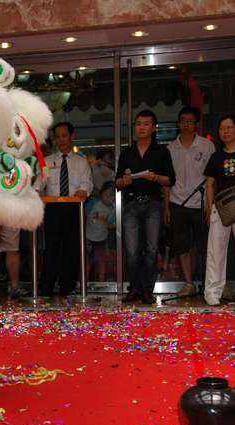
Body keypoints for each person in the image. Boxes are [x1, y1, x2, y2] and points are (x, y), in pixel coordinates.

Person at [116, 110, 175, 304]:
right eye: (138, 124)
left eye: (146, 124)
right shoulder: (127, 152)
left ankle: (147, 290)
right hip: (131, 204)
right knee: (132, 250)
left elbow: (170, 180)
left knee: (151, 249)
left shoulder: (162, 151)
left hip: (153, 204)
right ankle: (134, 288)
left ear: (154, 128)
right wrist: (123, 181)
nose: (141, 127)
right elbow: (117, 181)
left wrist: (155, 177)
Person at [36, 121, 93, 296]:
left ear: (72, 136)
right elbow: (39, 184)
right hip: (53, 209)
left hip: (74, 209)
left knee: (72, 249)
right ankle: (46, 288)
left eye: (64, 136)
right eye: (58, 136)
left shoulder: (81, 162)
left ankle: (67, 287)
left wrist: (83, 191)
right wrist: (37, 193)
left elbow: (87, 184)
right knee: (51, 248)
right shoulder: (47, 162)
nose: (61, 140)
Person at [165, 106, 215, 297]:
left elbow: (212, 178)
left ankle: (208, 284)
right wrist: (166, 207)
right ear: (178, 124)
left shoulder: (207, 146)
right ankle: (188, 284)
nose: (186, 124)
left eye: (190, 121)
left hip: (202, 203)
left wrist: (210, 205)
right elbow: (167, 182)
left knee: (205, 246)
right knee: (182, 246)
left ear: (196, 124)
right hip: (177, 203)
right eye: (183, 121)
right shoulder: (170, 148)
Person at [203, 114, 235, 306]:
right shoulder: (216, 157)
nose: (225, 131)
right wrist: (209, 206)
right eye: (222, 128)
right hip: (221, 207)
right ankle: (212, 293)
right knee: (216, 250)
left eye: (229, 127)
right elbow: (210, 183)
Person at [86, 181, 115, 282]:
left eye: (111, 195)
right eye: (106, 194)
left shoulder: (113, 209)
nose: (108, 197)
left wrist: (106, 222)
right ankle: (85, 282)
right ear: (101, 193)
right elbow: (84, 212)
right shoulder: (94, 202)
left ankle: (102, 281)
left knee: (101, 260)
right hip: (88, 236)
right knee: (87, 261)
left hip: (102, 238)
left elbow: (112, 224)